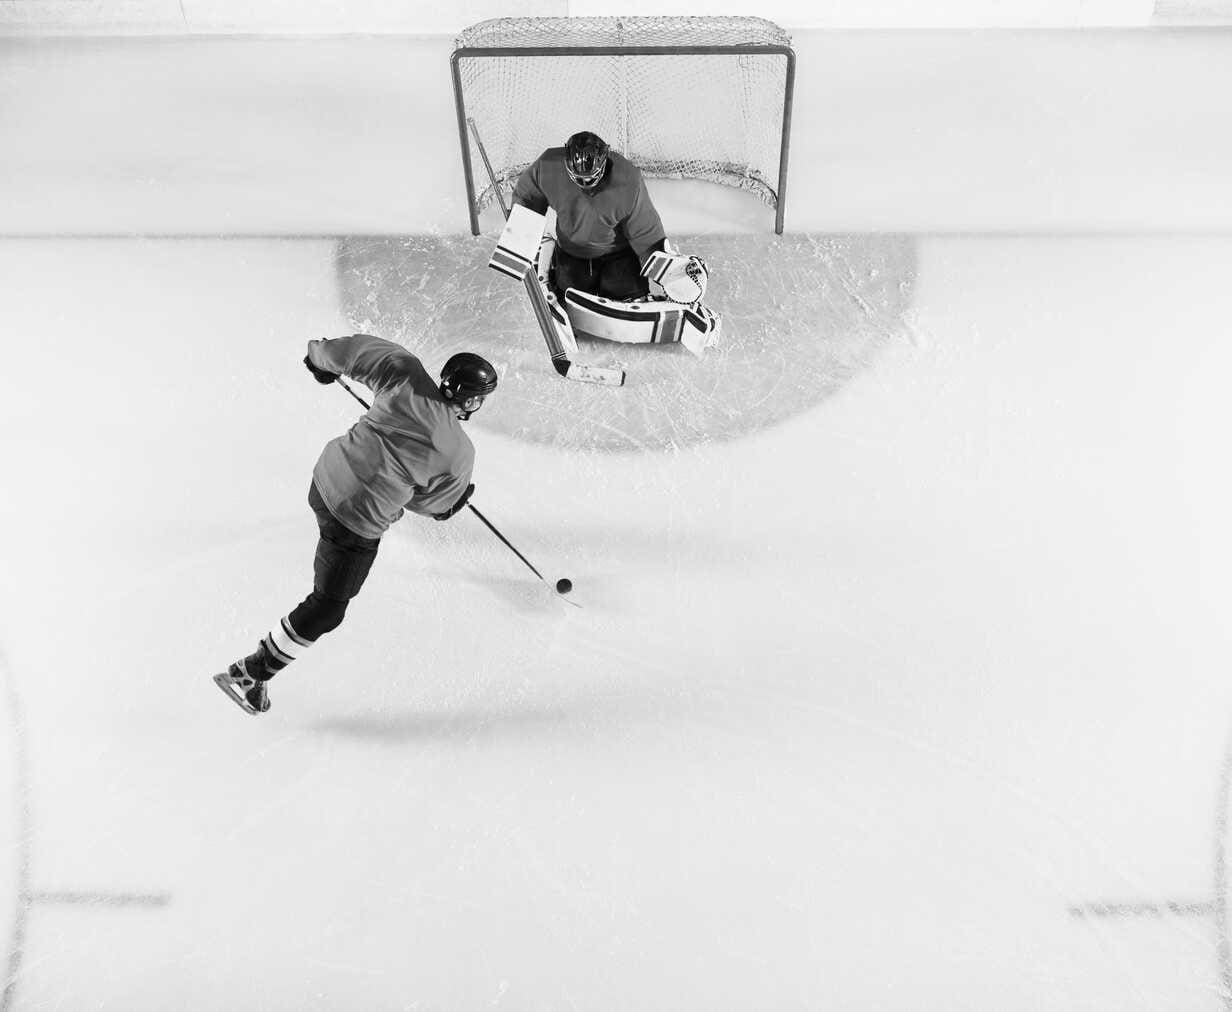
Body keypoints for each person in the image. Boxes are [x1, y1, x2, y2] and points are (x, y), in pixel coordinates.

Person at [213, 334, 498, 715]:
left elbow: (347, 354)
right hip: (355, 520)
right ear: (473, 401)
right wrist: (454, 502)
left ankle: (255, 669)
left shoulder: (405, 374)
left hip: (324, 480)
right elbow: (432, 505)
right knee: (329, 608)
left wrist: (320, 363)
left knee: (329, 568)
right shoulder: (458, 453)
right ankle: (250, 673)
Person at [512, 130, 669, 302]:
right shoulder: (547, 166)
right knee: (569, 300)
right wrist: (522, 233)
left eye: (591, 179)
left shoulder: (628, 179)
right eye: (579, 179)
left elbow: (645, 231)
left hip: (618, 254)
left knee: (628, 297)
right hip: (572, 251)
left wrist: (665, 273)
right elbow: (527, 197)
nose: (586, 185)